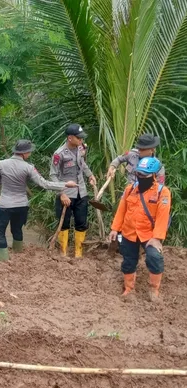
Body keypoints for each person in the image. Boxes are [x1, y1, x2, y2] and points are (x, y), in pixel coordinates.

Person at [0, 140, 77, 261]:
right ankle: (18, 252)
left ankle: (3, 258)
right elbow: (44, 184)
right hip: (22, 205)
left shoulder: (1, 164)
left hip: (4, 204)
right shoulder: (29, 167)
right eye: (29, 151)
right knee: (17, 228)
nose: (30, 153)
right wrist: (66, 184)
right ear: (24, 153)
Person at [109, 158, 171, 302]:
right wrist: (114, 229)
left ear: (153, 175)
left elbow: (163, 216)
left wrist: (157, 238)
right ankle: (129, 289)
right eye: (139, 174)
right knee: (128, 261)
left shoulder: (163, 192)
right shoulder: (130, 189)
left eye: (145, 175)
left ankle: (154, 290)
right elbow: (121, 210)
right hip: (129, 232)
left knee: (154, 258)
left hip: (149, 234)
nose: (141, 177)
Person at [50, 123, 97, 258]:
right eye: (79, 138)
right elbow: (53, 175)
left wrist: (90, 175)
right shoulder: (59, 154)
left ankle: (78, 253)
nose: (81, 140)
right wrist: (62, 193)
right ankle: (63, 252)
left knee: (81, 222)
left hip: (81, 192)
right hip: (66, 194)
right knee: (64, 224)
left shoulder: (79, 149)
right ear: (70, 138)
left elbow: (82, 164)